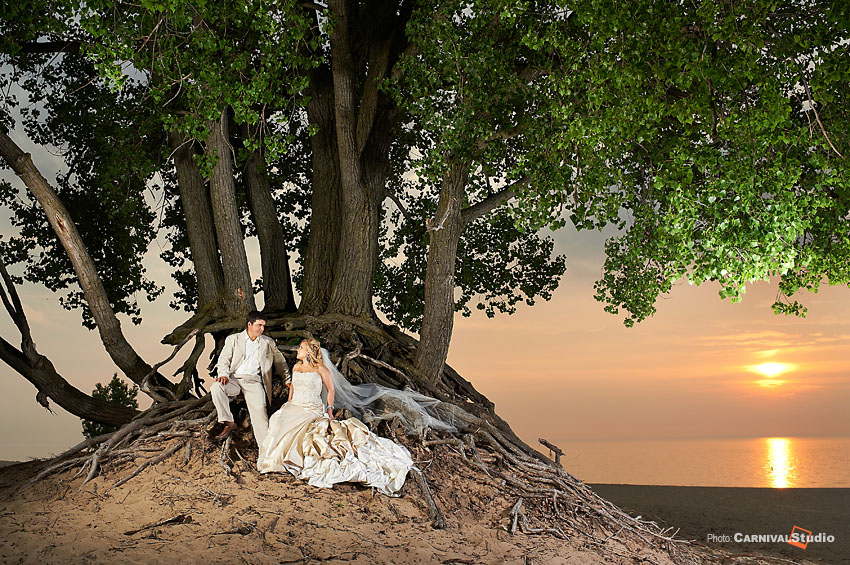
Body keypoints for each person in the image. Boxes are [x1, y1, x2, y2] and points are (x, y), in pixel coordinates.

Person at [258, 337, 414, 495]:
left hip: (311, 408)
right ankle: (274, 460)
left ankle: (292, 461)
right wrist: (289, 403)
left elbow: (331, 390)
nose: (298, 350)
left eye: (301, 347)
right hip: (296, 405)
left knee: (308, 432)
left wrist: (330, 409)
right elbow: (293, 389)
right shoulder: (296, 367)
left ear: (309, 352)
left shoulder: (320, 369)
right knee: (278, 418)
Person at [211, 310, 290, 445]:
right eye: (259, 325)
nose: (262, 329)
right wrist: (223, 374)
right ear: (249, 324)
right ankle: (229, 422)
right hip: (234, 379)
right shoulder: (233, 339)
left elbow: (280, 362)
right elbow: (224, 359)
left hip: (254, 381)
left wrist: (287, 379)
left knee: (260, 414)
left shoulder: (268, 342)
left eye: (263, 326)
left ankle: (265, 453)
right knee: (216, 387)